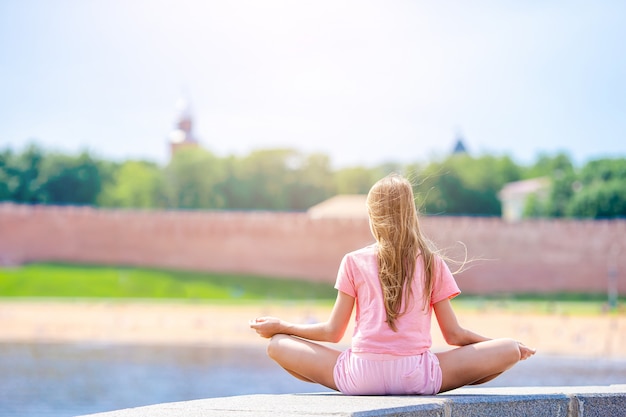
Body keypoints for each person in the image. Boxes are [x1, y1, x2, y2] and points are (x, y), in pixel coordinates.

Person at [250, 173, 535, 395]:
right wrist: (500, 345)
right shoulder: (432, 262)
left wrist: (282, 327)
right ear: (411, 212)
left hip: (359, 376)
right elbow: (454, 335)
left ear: (373, 215)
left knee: (277, 345)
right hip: (419, 376)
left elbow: (333, 332)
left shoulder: (353, 260)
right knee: (508, 349)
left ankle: (347, 383)